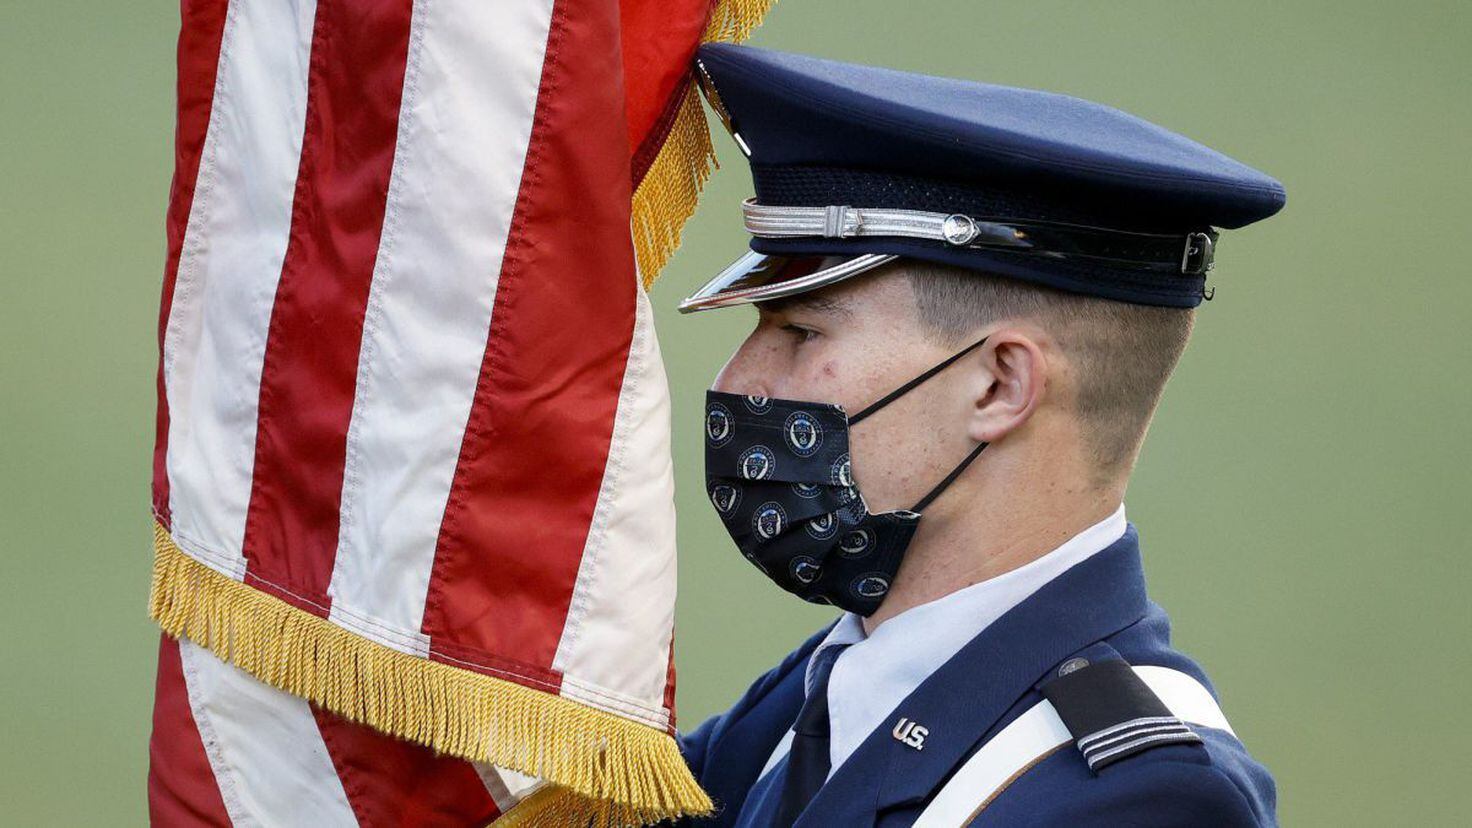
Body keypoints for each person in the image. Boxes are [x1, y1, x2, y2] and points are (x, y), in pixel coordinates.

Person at [673, 43, 1286, 827]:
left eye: (800, 332)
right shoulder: (822, 695)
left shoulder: (1137, 802)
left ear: (1000, 386)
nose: (738, 379)